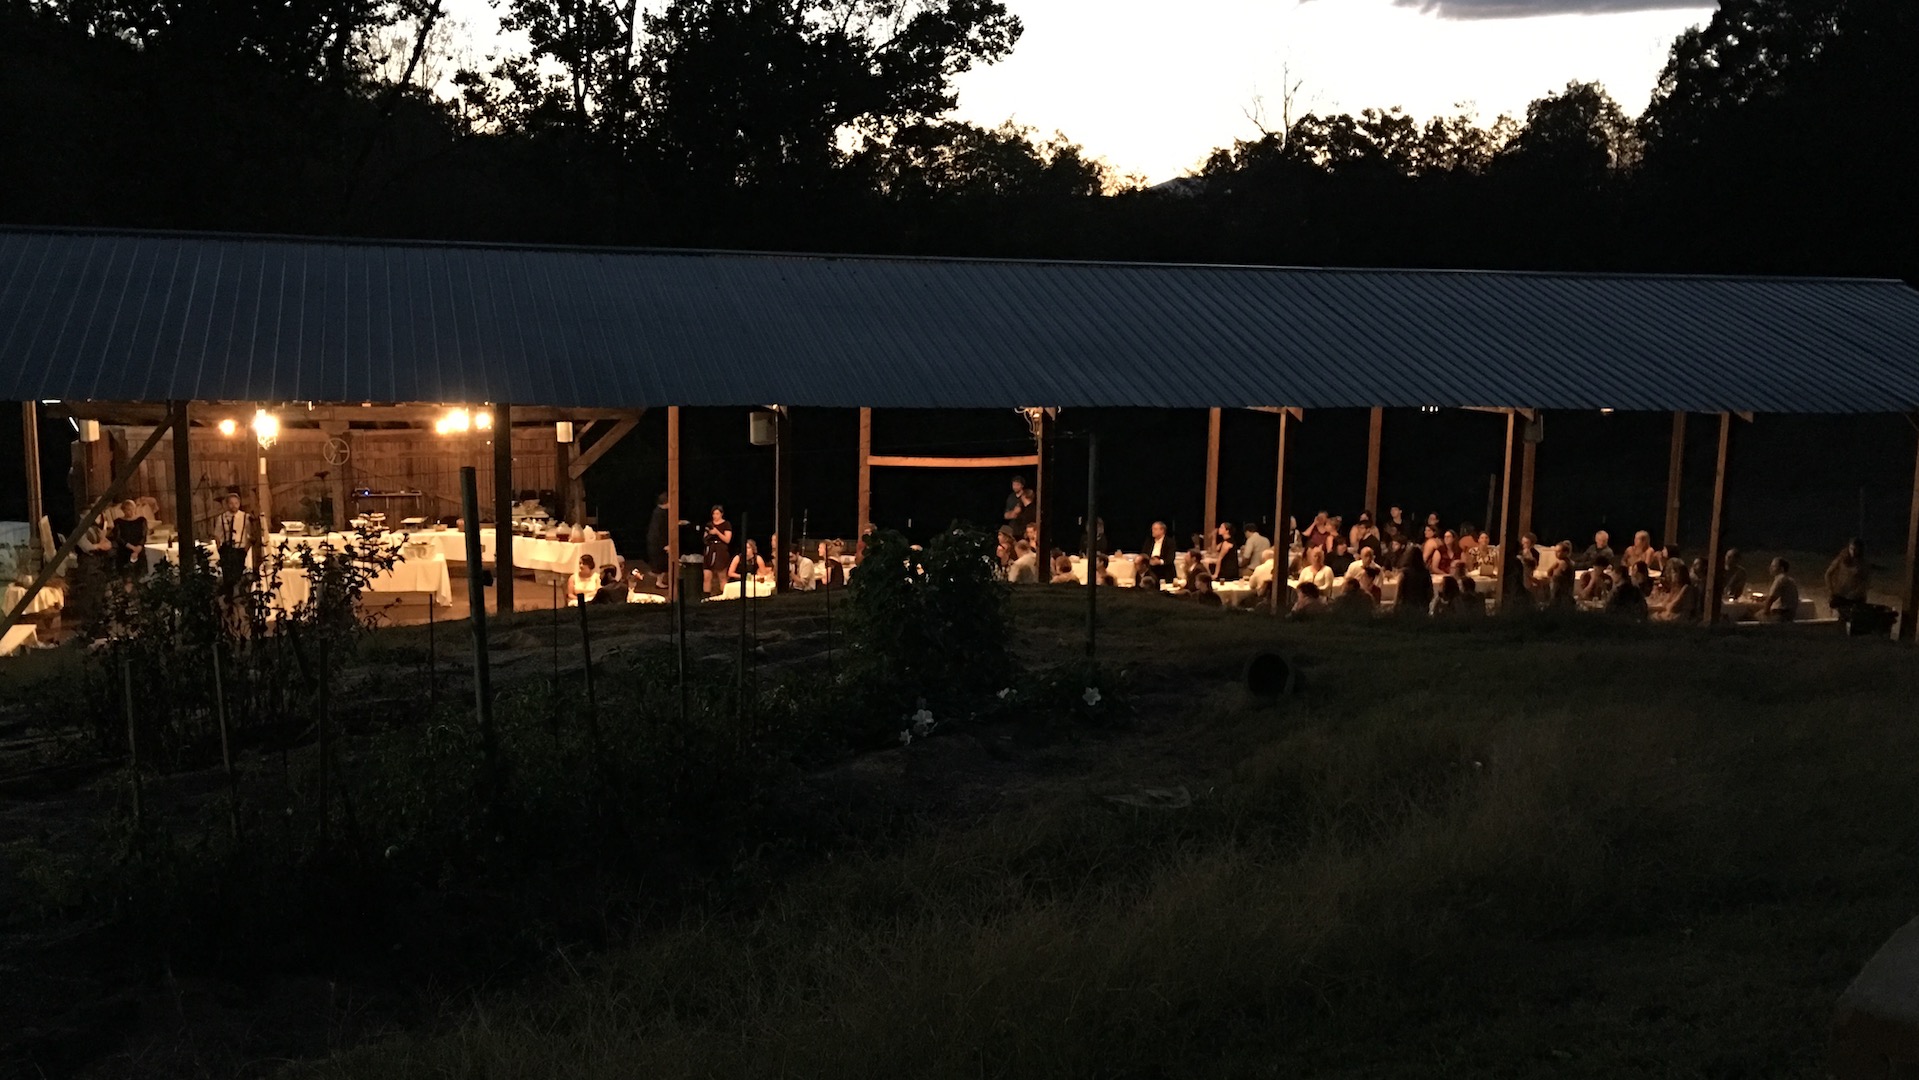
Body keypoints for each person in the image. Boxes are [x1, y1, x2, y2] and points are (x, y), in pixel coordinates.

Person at [213, 489, 251, 599]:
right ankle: (228, 598)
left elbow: (250, 534)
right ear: (227, 504)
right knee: (227, 575)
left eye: (236, 503)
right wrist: (219, 549)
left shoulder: (245, 517)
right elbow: (217, 534)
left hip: (240, 549)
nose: (234, 506)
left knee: (238, 574)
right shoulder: (222, 518)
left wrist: (246, 550)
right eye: (231, 503)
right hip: (226, 549)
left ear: (239, 503)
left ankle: (238, 597)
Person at [1825, 538, 1869, 618]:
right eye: (1851, 549)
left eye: (1856, 549)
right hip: (1840, 596)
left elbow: (1865, 581)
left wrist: (1857, 592)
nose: (1853, 551)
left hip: (1855, 599)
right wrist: (1831, 590)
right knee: (1838, 619)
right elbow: (1828, 574)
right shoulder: (1841, 559)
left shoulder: (1863, 563)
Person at [110, 498, 148, 577]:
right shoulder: (118, 522)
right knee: (126, 574)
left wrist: (138, 548)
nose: (130, 512)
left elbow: (144, 535)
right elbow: (118, 537)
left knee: (140, 574)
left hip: (139, 550)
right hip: (124, 551)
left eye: (132, 509)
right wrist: (131, 547)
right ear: (123, 510)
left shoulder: (141, 520)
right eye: (127, 510)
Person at [702, 505, 734, 595]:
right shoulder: (709, 524)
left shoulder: (726, 524)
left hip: (720, 550)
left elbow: (727, 539)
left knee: (722, 576)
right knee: (707, 576)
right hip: (710, 550)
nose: (715, 516)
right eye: (713, 514)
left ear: (721, 514)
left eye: (717, 514)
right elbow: (704, 539)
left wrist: (717, 533)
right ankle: (706, 597)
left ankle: (724, 596)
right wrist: (708, 535)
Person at [1394, 546, 1434, 617]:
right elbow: (1430, 593)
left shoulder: (1404, 573)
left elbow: (1398, 593)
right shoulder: (1425, 573)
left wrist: (1395, 607)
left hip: (1407, 608)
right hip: (1422, 607)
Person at [646, 492, 671, 584]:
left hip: (657, 541)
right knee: (662, 562)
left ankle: (659, 580)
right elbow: (658, 531)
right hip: (657, 542)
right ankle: (659, 581)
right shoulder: (659, 514)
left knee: (662, 562)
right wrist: (664, 545)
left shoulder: (660, 512)